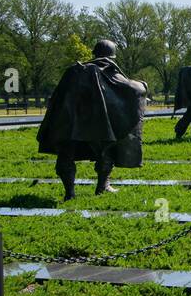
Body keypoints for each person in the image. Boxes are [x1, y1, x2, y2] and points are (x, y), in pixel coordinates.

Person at [37, 39, 148, 200]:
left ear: (94, 53)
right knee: (105, 151)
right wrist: (143, 85)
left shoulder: (73, 71)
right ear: (111, 55)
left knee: (66, 154)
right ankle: (102, 186)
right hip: (97, 124)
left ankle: (70, 193)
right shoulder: (107, 70)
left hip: (67, 123)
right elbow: (131, 88)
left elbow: (56, 99)